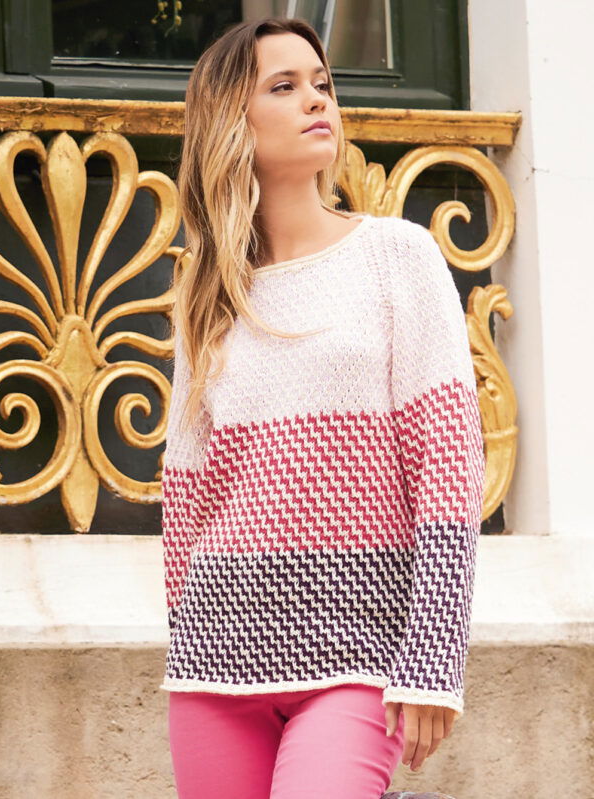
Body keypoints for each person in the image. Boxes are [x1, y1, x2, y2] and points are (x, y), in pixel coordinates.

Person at [159, 15, 485, 799]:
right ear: (232, 120)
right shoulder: (207, 291)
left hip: (360, 654)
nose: (317, 100)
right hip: (216, 660)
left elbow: (448, 466)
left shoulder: (397, 257)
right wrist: (184, 635)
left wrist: (434, 656)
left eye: (322, 83)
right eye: (284, 86)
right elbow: (185, 493)